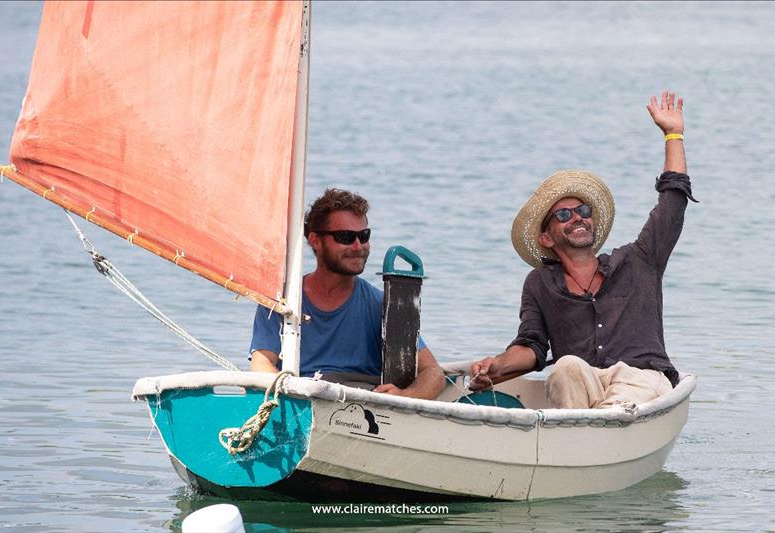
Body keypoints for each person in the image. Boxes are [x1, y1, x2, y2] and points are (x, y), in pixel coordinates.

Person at [470, 90, 696, 409]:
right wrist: (497, 365)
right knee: (565, 367)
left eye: (583, 211)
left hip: (642, 381)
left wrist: (673, 134)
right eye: (563, 215)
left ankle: (596, 434)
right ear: (546, 238)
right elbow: (532, 348)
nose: (577, 217)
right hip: (583, 386)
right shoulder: (539, 284)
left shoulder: (638, 260)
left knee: (625, 397)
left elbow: (673, 203)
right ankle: (583, 446)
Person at [250, 188, 445, 400]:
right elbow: (261, 366)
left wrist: (405, 395)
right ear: (315, 240)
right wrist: (296, 397)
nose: (358, 246)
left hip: (363, 409)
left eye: (364, 236)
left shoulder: (379, 305)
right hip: (300, 401)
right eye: (345, 237)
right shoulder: (282, 301)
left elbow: (433, 373)